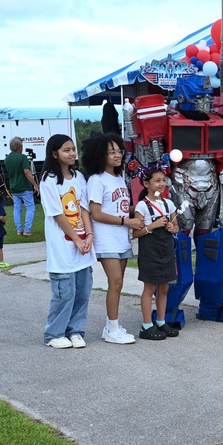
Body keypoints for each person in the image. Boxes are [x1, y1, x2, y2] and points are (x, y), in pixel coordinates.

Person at [84, 133, 144, 345]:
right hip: (106, 239)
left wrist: (140, 209)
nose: (117, 155)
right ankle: (112, 329)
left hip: (121, 239)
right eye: (111, 152)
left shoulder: (119, 178)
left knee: (118, 284)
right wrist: (126, 222)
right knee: (115, 282)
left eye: (119, 150)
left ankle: (112, 326)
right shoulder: (96, 180)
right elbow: (96, 213)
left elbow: (119, 208)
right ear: (100, 154)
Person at [39, 134, 95, 350]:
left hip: (83, 246)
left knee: (83, 291)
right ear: (55, 154)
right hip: (64, 247)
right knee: (65, 293)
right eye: (66, 150)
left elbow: (83, 208)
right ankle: (53, 334)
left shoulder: (79, 177)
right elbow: (58, 215)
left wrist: (88, 235)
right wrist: (76, 240)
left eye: (73, 149)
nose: (72, 153)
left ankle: (75, 331)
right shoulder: (49, 180)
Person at [130, 163, 181, 341]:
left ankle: (161, 321)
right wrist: (152, 226)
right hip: (150, 251)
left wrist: (171, 228)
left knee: (165, 287)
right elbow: (136, 232)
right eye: (157, 181)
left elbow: (176, 228)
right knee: (150, 286)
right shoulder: (142, 206)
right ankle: (146, 325)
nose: (162, 184)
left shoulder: (169, 204)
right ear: (146, 184)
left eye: (164, 180)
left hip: (166, 250)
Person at [4, 137, 39, 236]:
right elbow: (27, 172)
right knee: (30, 207)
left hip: (14, 187)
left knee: (17, 208)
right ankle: (27, 229)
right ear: (19, 147)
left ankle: (19, 230)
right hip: (24, 186)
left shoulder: (7, 159)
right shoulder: (22, 157)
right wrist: (35, 185)